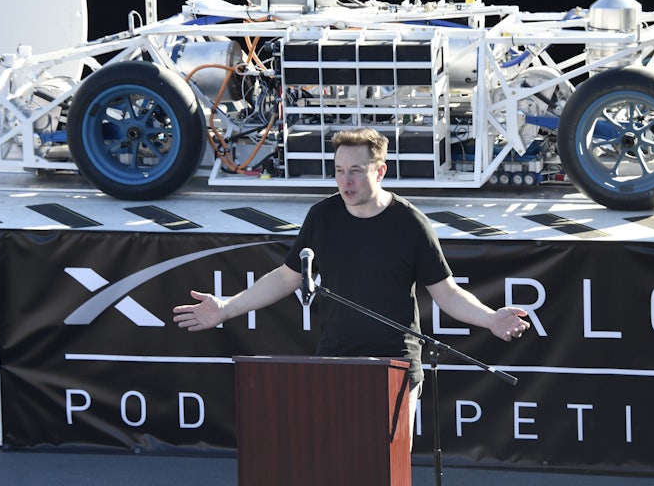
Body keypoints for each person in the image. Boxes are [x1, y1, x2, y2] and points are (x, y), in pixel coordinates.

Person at [173, 127, 530, 445]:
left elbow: (446, 292)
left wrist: (490, 319)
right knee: (337, 461)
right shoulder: (322, 217)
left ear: (380, 171)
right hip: (336, 360)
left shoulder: (410, 224)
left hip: (396, 365)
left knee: (387, 467)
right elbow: (286, 277)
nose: (346, 181)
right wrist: (226, 308)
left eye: (356, 171)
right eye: (339, 171)